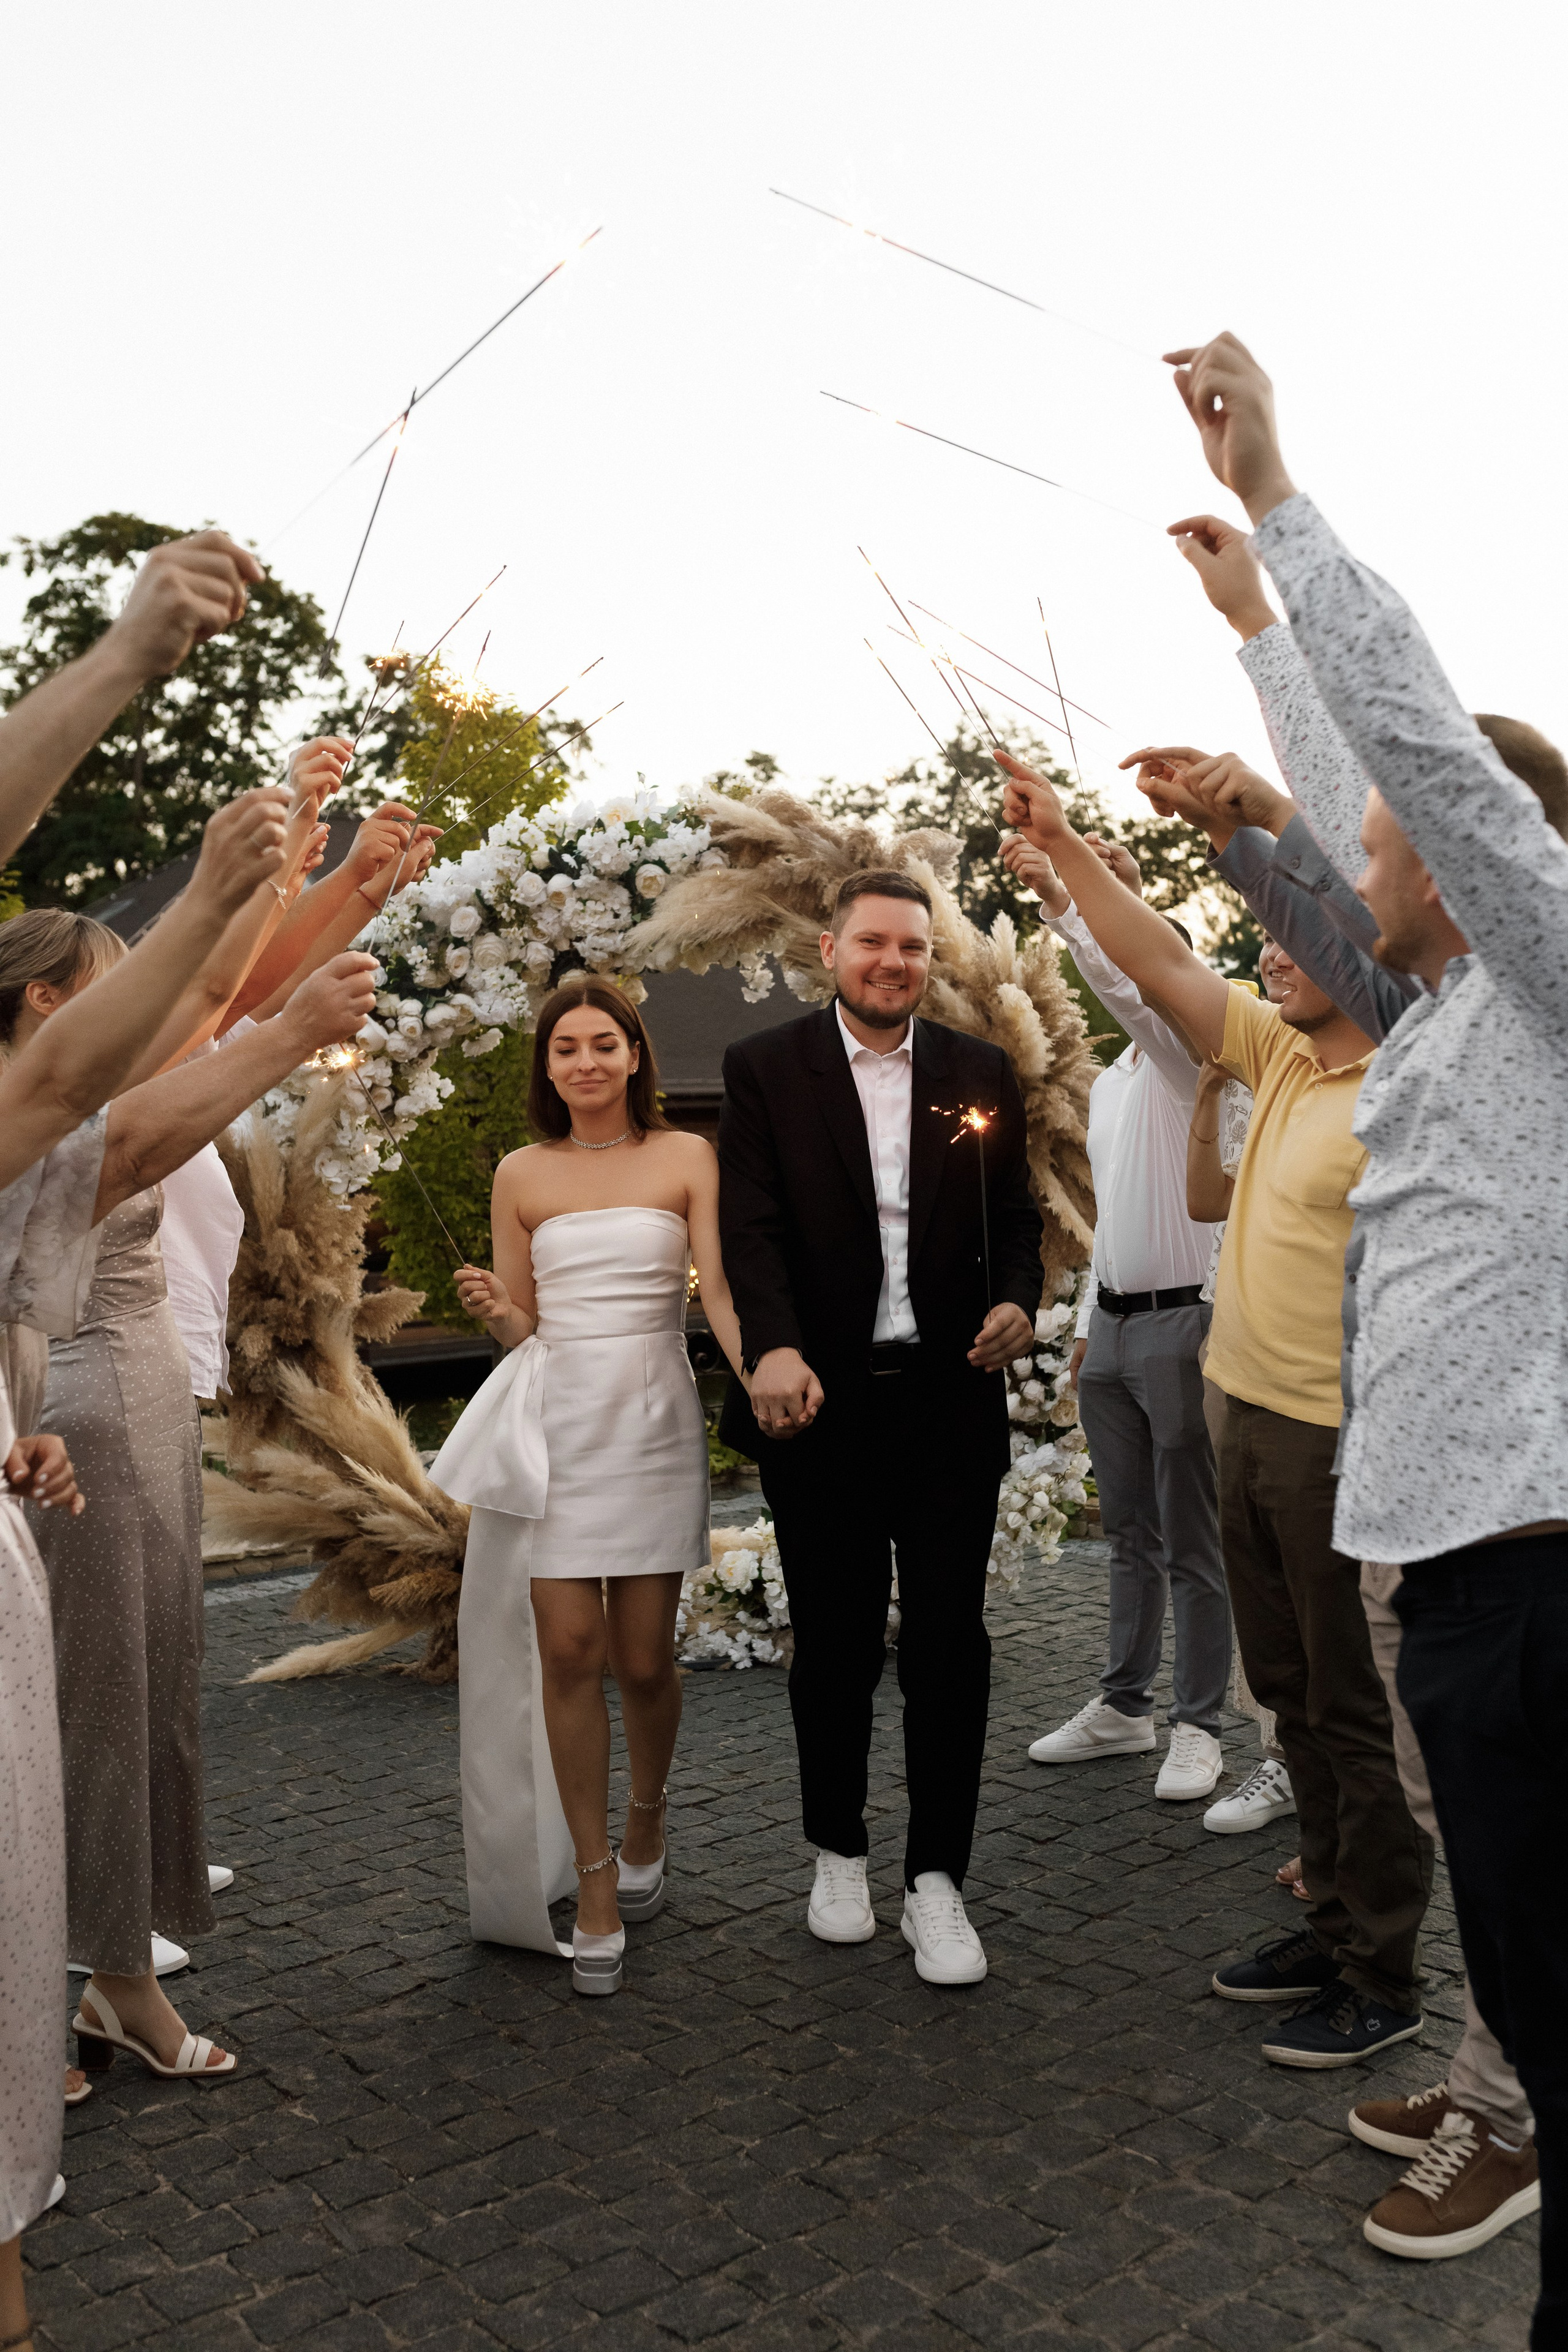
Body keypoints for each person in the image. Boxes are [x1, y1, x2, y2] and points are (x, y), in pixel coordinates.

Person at [1161, 331, 1562, 2290]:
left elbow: (1417, 763)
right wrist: (1252, 633)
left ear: (1485, 870)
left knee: (1533, 1882)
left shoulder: (1551, 983)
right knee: (1486, 1863)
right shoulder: (1453, 1003)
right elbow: (1360, 792)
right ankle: (1499, 2071)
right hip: (1432, 1528)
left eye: (1397, 852)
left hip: (1528, 1549)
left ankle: (1517, 2124)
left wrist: (1282, 502)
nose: (1353, 872)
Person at [1000, 753, 1433, 2068]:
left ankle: (1382, 1970)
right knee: (1285, 1694)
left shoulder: (1405, 1080)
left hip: (1330, 1439)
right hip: (1235, 1411)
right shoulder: (1278, 1059)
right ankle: (1321, 1906)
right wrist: (1067, 843)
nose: (1261, 956)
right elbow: (1156, 970)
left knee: (1348, 1707)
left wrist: (1257, 823)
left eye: (1287, 937)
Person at [1, 917, 377, 2084]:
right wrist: (295, 1029)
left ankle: (117, 1979)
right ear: (46, 997)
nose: (144, 1009)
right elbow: (138, 1145)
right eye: (116, 988)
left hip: (148, 1395)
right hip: (82, 1406)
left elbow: (215, 993)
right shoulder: (29, 1107)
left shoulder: (91, 1075)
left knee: (152, 1683)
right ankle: (57, 1993)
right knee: (89, 1699)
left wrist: (325, 883)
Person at [716, 869, 1043, 1986]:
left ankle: (937, 1882)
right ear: (830, 949)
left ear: (928, 956)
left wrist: (1022, 1303)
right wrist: (774, 1345)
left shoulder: (980, 1073)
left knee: (953, 1648)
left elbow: (1016, 1222)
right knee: (839, 1646)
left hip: (951, 1400)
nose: (892, 962)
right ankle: (839, 1850)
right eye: (872, 944)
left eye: (911, 945)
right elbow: (748, 1227)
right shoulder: (765, 1070)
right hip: (821, 1407)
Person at [432, 978, 744, 1999]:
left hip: (652, 1417)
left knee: (644, 1659)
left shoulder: (687, 1156)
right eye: (566, 1048)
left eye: (604, 1043)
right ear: (549, 1066)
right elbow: (523, 1325)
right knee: (568, 1650)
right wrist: (493, 1309)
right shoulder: (521, 1172)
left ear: (635, 1055)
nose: (586, 1063)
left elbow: (723, 1297)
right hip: (556, 1425)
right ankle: (597, 1877)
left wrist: (763, 1377)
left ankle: (648, 1813)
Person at [1001, 834, 1230, 1801]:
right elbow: (1115, 1211)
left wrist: (1066, 898)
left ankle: (1202, 1727)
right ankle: (1125, 1709)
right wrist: (1094, 1315)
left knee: (1194, 1538)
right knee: (1128, 1534)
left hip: (1187, 1326)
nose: (1133, 989)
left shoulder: (1194, 1063)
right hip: (1116, 1329)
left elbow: (1138, 983)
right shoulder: (1118, 1084)